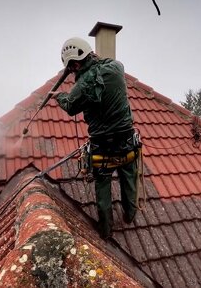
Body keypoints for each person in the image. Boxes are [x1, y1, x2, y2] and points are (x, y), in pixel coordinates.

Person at [52, 37, 139, 239]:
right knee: (129, 178)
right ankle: (130, 214)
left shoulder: (82, 85)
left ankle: (106, 230)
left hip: (103, 146)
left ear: (74, 63)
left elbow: (71, 106)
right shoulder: (117, 68)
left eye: (72, 68)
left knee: (103, 186)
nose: (72, 72)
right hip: (127, 142)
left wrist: (59, 96)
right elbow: (101, 68)